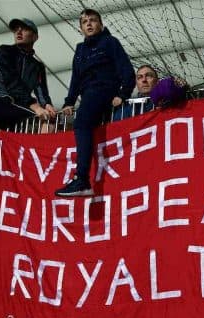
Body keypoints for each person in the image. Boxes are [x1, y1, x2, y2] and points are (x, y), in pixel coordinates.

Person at [55, 8, 135, 196]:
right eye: (84, 22)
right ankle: (82, 179)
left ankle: (81, 179)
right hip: (88, 95)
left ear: (101, 24)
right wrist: (69, 102)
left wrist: (123, 94)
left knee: (81, 123)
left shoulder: (110, 42)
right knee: (85, 123)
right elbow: (76, 78)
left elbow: (127, 70)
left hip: (104, 90)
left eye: (93, 20)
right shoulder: (80, 49)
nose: (89, 24)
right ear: (81, 28)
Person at [0, 18, 56, 130]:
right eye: (16, 29)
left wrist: (47, 105)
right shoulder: (4, 51)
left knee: (50, 119)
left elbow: (41, 92)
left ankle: (38, 147)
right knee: (42, 118)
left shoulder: (38, 66)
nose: (18, 32)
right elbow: (12, 84)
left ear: (35, 37)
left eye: (24, 29)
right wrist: (36, 107)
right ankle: (39, 146)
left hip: (19, 106)